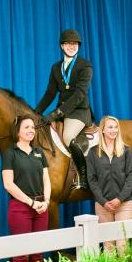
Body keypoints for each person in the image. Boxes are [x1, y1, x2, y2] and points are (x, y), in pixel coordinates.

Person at [35, 29, 93, 189]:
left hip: (79, 112)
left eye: (74, 44)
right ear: (62, 46)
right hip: (62, 112)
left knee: (67, 137)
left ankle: (84, 177)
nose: (71, 46)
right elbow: (50, 93)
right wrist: (36, 112)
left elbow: (80, 94)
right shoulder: (56, 67)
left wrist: (56, 113)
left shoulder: (85, 65)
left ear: (78, 46)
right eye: (68, 43)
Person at [2, 115, 51, 262]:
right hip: (20, 209)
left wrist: (46, 202)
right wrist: (31, 202)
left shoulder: (39, 153)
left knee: (37, 254)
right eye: (26, 127)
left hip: (41, 208)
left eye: (32, 127)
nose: (31, 130)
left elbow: (47, 180)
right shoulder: (10, 153)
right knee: (21, 255)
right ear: (18, 131)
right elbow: (8, 184)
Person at [86, 116, 132, 253]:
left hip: (124, 204)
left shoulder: (126, 151)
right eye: (110, 127)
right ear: (102, 129)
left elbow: (131, 176)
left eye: (115, 127)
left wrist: (119, 199)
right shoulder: (93, 152)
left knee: (122, 245)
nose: (113, 130)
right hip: (103, 206)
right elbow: (91, 179)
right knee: (108, 247)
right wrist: (103, 201)